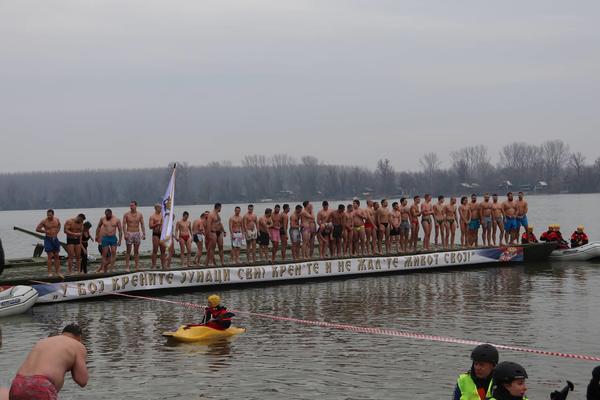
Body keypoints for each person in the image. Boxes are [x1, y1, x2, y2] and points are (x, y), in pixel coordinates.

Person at [8, 324, 88, 400]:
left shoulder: (43, 341)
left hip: (18, 384)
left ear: (62, 333)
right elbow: (82, 380)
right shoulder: (77, 345)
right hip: (41, 386)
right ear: (79, 337)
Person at [36, 209, 62, 278]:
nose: (48, 216)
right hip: (48, 239)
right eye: (47, 215)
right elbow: (37, 229)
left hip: (55, 238)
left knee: (56, 255)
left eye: (50, 215)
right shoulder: (44, 221)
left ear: (53, 214)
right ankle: (49, 272)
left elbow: (59, 225)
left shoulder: (57, 219)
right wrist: (45, 231)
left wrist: (57, 231)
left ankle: (57, 272)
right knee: (50, 256)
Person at [95, 209, 123, 273]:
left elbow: (120, 230)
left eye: (108, 215)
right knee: (104, 254)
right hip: (105, 238)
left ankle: (111, 269)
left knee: (113, 252)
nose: (107, 216)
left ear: (111, 214)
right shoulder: (102, 219)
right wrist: (96, 235)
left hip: (113, 238)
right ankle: (102, 269)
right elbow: (98, 227)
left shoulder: (116, 220)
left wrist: (120, 240)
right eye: (106, 215)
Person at [123, 201, 146, 272]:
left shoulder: (140, 214)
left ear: (136, 206)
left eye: (132, 205)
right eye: (130, 205)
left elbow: (142, 224)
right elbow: (123, 224)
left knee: (136, 251)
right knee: (128, 251)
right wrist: (125, 233)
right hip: (129, 233)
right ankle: (127, 267)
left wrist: (144, 233)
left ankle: (136, 266)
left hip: (137, 233)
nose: (131, 207)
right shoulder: (126, 214)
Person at [149, 204, 165, 270]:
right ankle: (154, 265)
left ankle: (163, 265)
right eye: (159, 208)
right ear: (156, 208)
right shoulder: (152, 216)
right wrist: (156, 224)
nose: (161, 209)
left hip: (162, 234)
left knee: (163, 251)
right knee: (155, 250)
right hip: (156, 234)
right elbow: (150, 226)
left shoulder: (163, 216)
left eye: (161, 208)